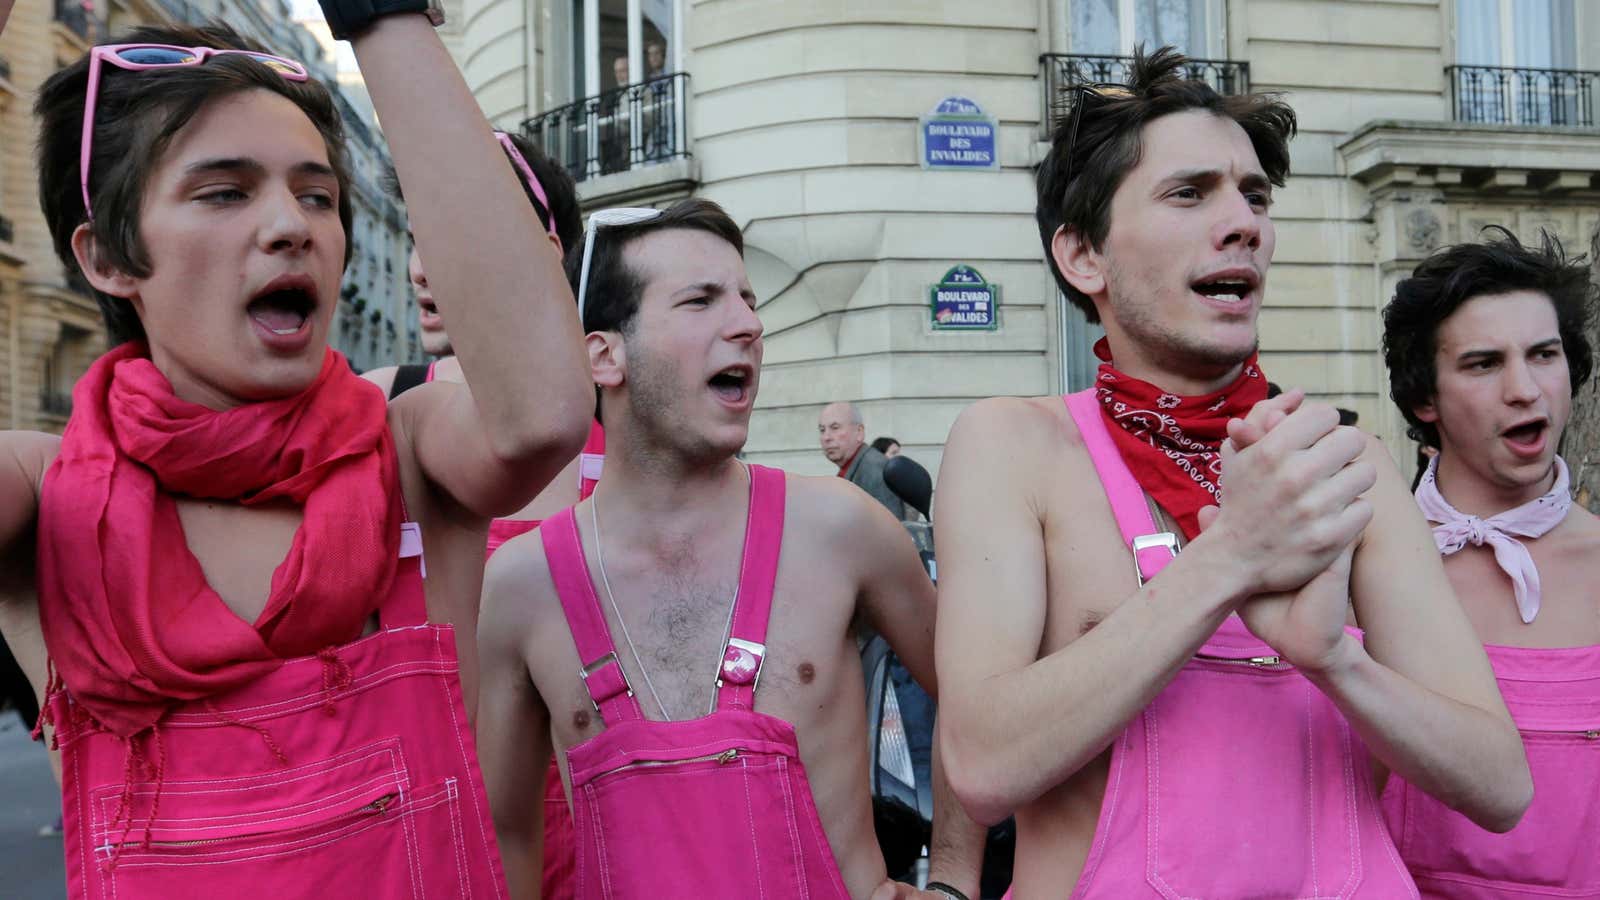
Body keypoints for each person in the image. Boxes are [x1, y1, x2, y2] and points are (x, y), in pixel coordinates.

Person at [1, 14, 591, 899]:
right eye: (225, 192)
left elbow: (542, 414)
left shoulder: (414, 449)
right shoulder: (37, 492)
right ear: (111, 255)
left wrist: (383, 20)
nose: (292, 225)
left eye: (317, 195)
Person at [932, 47, 1530, 897]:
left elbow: (1501, 785)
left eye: (1255, 195)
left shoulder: (1343, 465)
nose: (1245, 222)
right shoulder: (1013, 447)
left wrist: (1334, 661)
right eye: (1190, 193)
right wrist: (1229, 558)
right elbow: (982, 764)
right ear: (1082, 257)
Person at [476, 198, 985, 900]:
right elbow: (507, 830)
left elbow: (977, 705)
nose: (749, 323)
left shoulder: (843, 528)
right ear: (605, 355)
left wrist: (954, 885)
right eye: (700, 301)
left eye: (746, 299)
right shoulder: (521, 586)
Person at [364, 130, 590, 900]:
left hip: (602, 823)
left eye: (449, 235)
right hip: (424, 821)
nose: (422, 266)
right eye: (416, 237)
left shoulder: (625, 427)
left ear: (542, 247)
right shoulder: (371, 408)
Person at [1380, 229, 1600, 897]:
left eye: (1543, 355)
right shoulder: (1360, 569)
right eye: (1483, 363)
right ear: (1425, 399)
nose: (1525, 389)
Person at [821, 401, 907, 520]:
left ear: (859, 432)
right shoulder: (854, 465)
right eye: (822, 430)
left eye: (835, 428)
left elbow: (890, 530)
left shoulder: (876, 470)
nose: (826, 437)